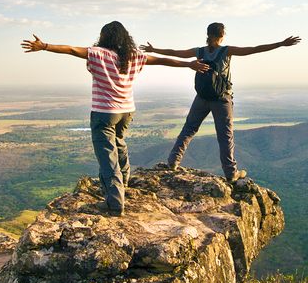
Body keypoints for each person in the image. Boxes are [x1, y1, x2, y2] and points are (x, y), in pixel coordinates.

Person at [21, 21, 208, 216]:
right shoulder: (134, 56)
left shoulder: (99, 53)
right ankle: (124, 181)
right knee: (119, 143)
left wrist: (44, 46)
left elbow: (71, 50)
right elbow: (161, 60)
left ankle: (115, 202)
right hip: (126, 111)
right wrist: (189, 64)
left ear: (104, 37)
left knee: (106, 156)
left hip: (104, 112)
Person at [144, 23, 300, 182]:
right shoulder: (226, 51)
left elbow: (175, 53)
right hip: (221, 99)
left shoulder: (199, 51)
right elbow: (253, 49)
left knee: (188, 129)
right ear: (222, 35)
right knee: (225, 136)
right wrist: (280, 44)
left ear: (207, 34)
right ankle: (231, 174)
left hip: (202, 97)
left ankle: (173, 162)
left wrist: (154, 50)